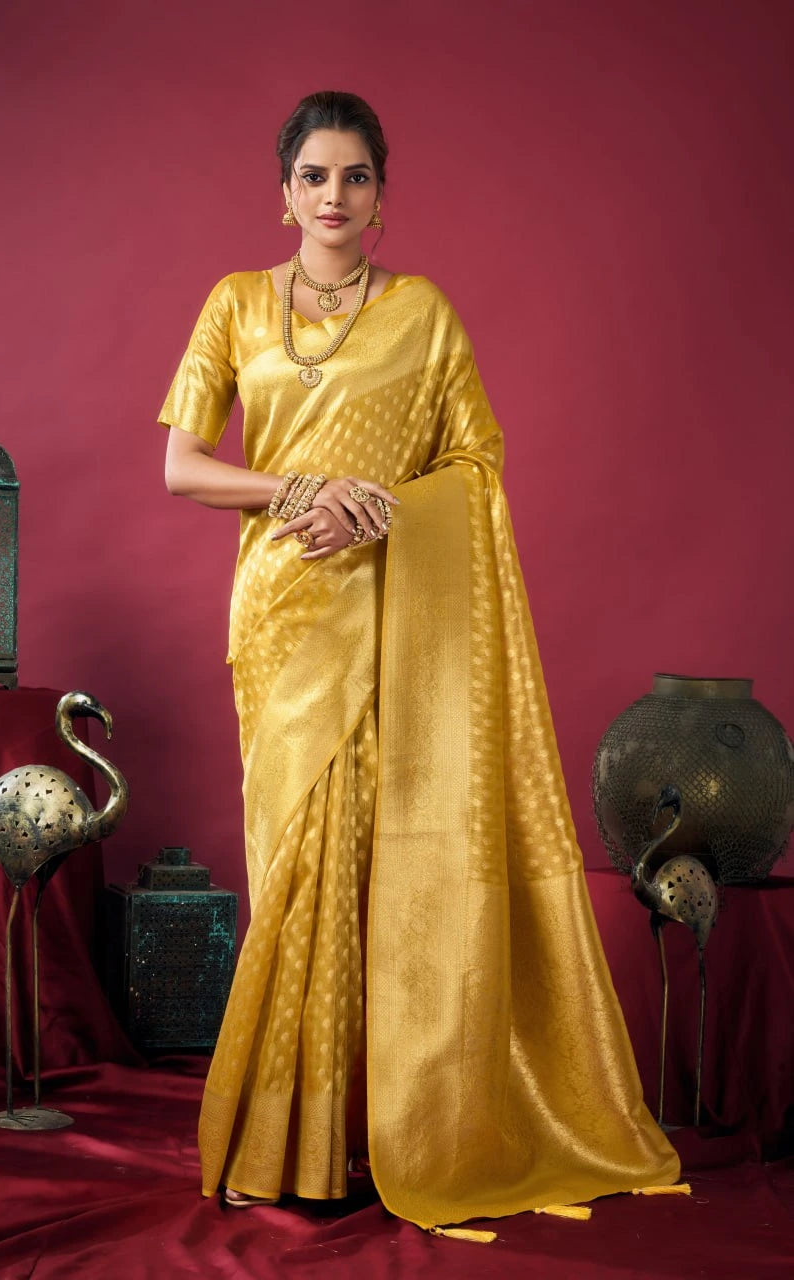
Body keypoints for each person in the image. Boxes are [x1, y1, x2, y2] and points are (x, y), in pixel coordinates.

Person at [158, 90, 681, 1235]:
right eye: (312, 176)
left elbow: (478, 462)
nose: (332, 196)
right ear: (282, 191)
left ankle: (361, 1132)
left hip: (396, 609)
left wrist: (384, 509)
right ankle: (274, 1139)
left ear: (383, 200)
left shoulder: (424, 314)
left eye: (354, 177)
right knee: (294, 857)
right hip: (283, 614)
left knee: (370, 859)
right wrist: (301, 489)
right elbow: (184, 468)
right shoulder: (236, 305)